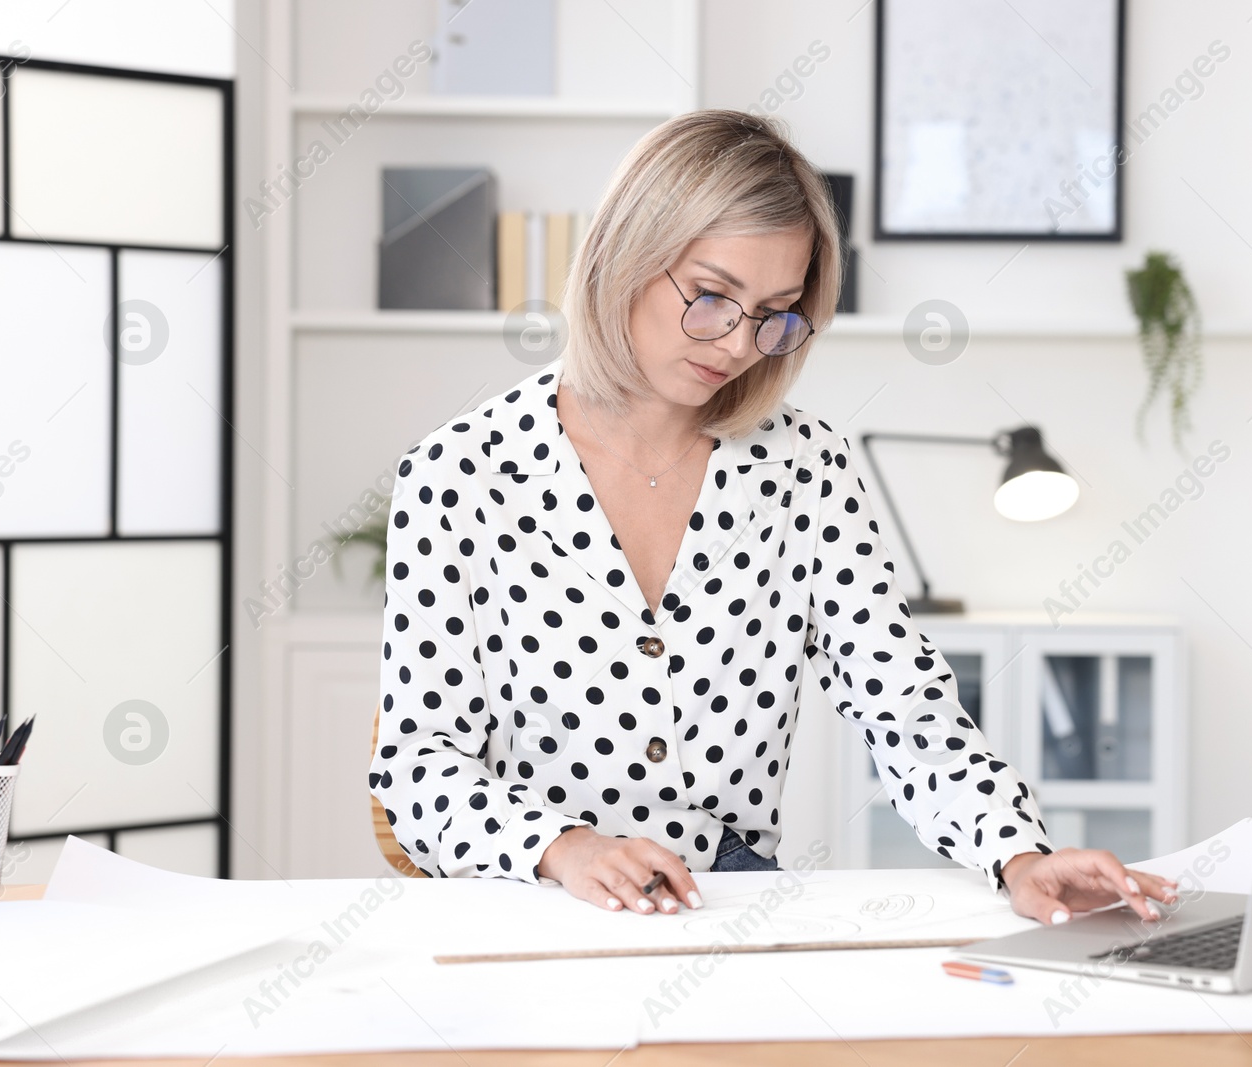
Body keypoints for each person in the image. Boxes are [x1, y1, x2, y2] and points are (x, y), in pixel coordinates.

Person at [369, 109, 1176, 926]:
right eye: (714, 295)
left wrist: (1018, 851)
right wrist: (564, 846)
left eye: (774, 313)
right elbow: (417, 764)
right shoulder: (459, 473)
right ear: (625, 254)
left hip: (725, 900)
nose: (738, 342)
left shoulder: (806, 468)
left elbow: (904, 708)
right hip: (527, 901)